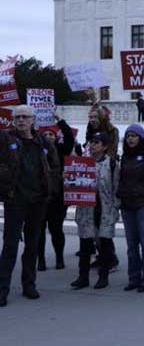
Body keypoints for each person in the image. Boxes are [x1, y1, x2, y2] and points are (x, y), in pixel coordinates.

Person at [0, 105, 56, 307]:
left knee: (32, 245)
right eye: (17, 117)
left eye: (24, 117)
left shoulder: (43, 142)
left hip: (38, 201)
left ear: (33, 120)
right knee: (10, 246)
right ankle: (2, 289)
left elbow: (54, 165)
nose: (21, 120)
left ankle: (29, 284)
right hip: (15, 200)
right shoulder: (6, 139)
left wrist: (51, 187)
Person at [71, 132, 120, 290]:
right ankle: (82, 276)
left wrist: (114, 209)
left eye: (96, 142)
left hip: (104, 210)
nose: (92, 145)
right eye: (91, 142)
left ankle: (103, 276)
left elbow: (116, 189)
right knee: (85, 246)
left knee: (105, 245)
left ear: (104, 146)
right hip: (86, 210)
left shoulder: (112, 164)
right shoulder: (81, 163)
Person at [117, 124, 144, 292]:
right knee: (131, 245)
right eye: (128, 136)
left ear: (140, 137)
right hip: (127, 205)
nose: (131, 139)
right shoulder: (125, 157)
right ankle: (134, 278)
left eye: (134, 136)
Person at [36, 112, 76, 271]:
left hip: (57, 197)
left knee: (56, 229)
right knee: (38, 231)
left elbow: (70, 138)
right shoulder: (35, 150)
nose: (48, 136)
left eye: (51, 134)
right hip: (39, 197)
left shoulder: (62, 149)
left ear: (56, 136)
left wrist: (60, 120)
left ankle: (59, 257)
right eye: (44, 134)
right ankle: (41, 260)